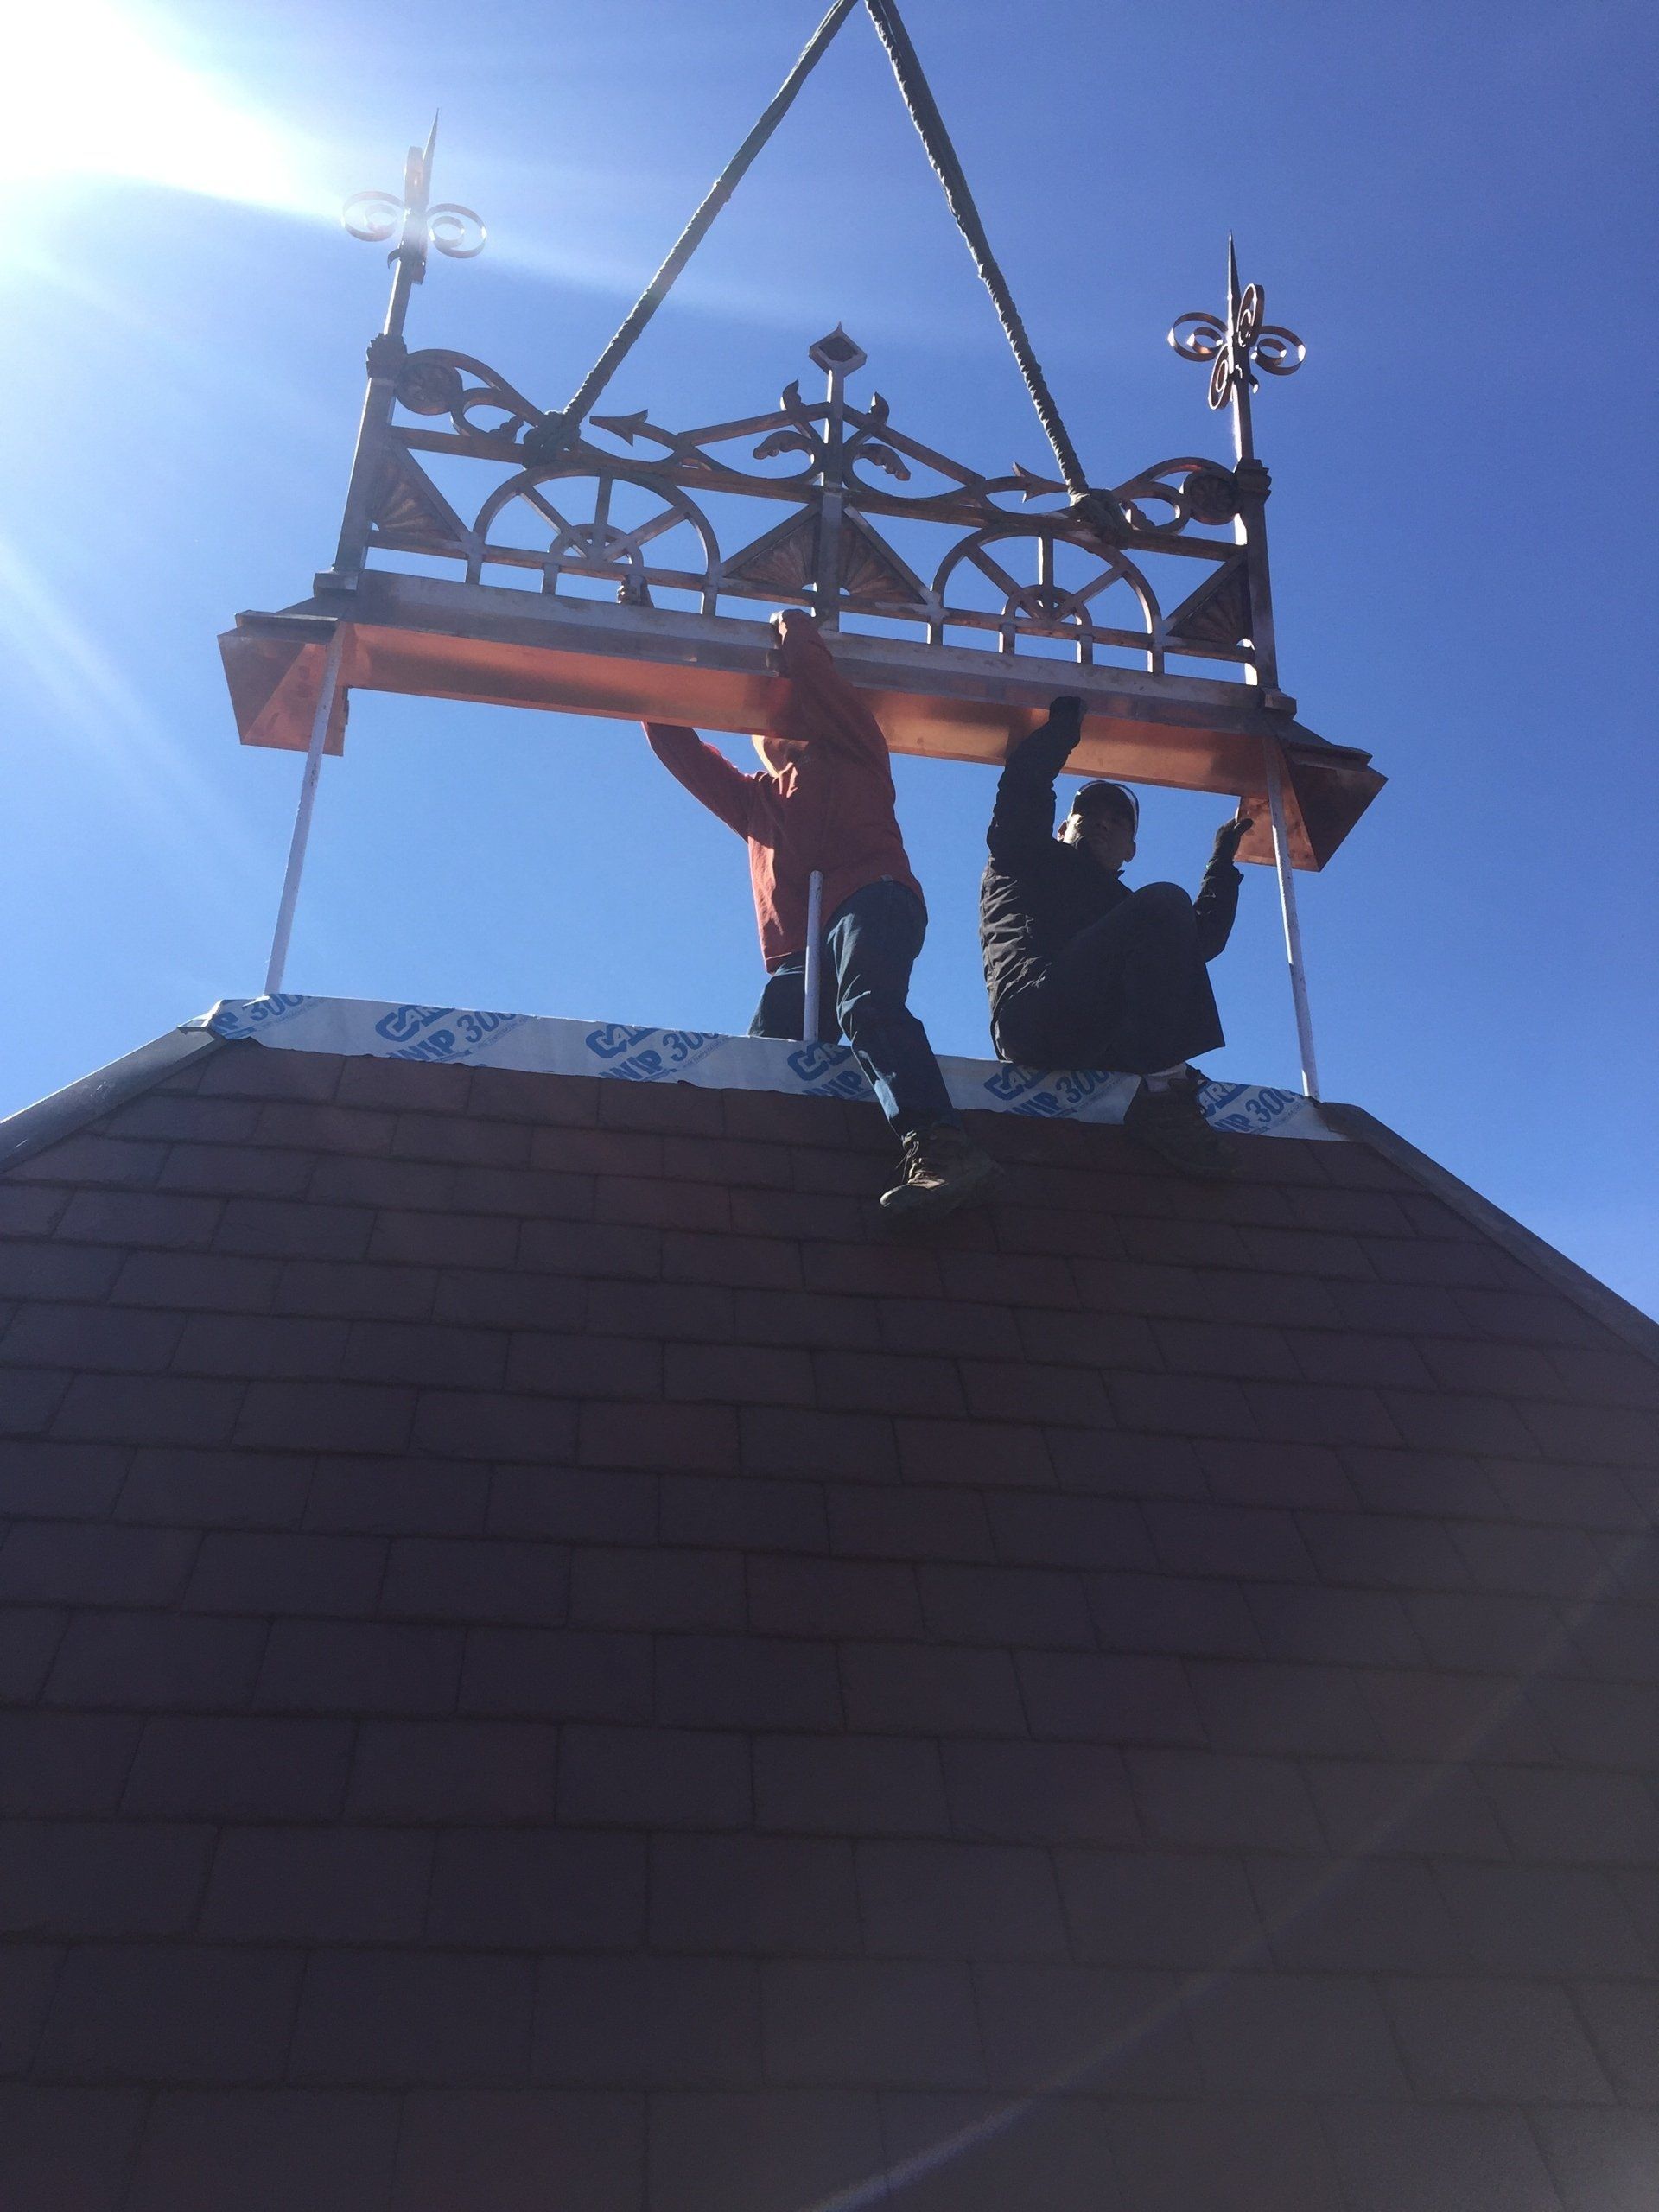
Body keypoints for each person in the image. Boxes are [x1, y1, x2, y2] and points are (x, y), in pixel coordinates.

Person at [644, 607, 999, 1217]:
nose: (781, 729)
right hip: (804, 952)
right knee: (770, 1038)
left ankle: (939, 1142)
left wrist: (794, 628)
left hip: (874, 898)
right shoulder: (755, 800)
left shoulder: (855, 749)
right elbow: (671, 740)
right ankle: (744, 1164)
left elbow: (819, 680)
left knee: (867, 1004)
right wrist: (652, 640)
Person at [979, 695, 1253, 1176]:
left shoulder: (1126, 913)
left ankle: (1165, 1095)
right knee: (1164, 902)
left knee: (1166, 912)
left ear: (1131, 848)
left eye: (1118, 819)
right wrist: (1063, 730)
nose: (1104, 820)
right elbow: (1023, 791)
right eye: (1089, 813)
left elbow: (1199, 940)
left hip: (1098, 1038)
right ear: (1064, 827)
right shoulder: (1026, 860)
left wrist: (1222, 865)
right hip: (1034, 1014)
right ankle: (1165, 1097)